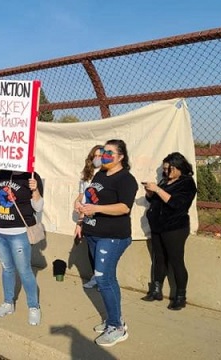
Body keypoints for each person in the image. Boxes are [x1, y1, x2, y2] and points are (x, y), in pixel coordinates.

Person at [75, 139, 138, 347]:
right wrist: (80, 203)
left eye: (110, 152)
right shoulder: (101, 174)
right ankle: (114, 320)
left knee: (103, 280)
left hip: (112, 237)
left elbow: (124, 207)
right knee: (107, 279)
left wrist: (96, 209)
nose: (104, 155)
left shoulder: (126, 179)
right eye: (103, 151)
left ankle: (117, 327)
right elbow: (90, 195)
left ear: (121, 156)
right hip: (93, 233)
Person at [0, 167, 44, 326]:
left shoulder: (32, 176)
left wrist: (36, 190)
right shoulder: (2, 173)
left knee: (24, 270)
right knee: (6, 268)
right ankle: (8, 303)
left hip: (19, 232)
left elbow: (38, 207)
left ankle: (33, 307)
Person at [142, 152, 197, 311]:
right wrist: (150, 192)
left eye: (169, 169)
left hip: (175, 228)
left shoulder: (186, 183)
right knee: (159, 259)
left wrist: (158, 190)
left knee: (176, 260)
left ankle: (180, 296)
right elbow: (154, 200)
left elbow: (176, 204)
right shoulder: (165, 181)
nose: (166, 172)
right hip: (158, 226)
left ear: (179, 167)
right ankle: (156, 290)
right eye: (165, 169)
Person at [74, 145, 104, 289]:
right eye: (95, 156)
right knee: (91, 251)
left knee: (102, 252)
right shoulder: (86, 176)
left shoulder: (107, 175)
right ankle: (95, 277)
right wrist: (77, 202)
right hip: (87, 218)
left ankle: (103, 280)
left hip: (102, 218)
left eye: (100, 155)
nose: (97, 159)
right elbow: (82, 195)